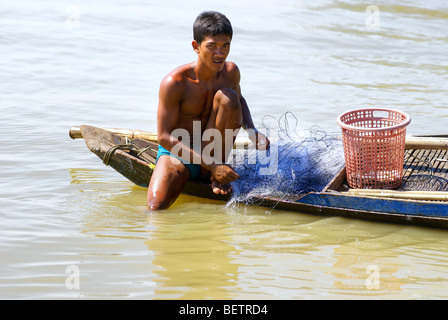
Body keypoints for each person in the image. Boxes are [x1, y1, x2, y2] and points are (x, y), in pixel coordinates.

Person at [147, 11, 269, 210]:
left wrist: (252, 130)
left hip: (214, 150)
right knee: (156, 207)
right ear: (196, 47)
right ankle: (215, 175)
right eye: (212, 46)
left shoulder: (231, 72)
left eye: (225, 46)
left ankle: (215, 177)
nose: (219, 53)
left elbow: (240, 99)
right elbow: (163, 137)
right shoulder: (175, 82)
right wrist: (213, 166)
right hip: (180, 152)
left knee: (229, 96)